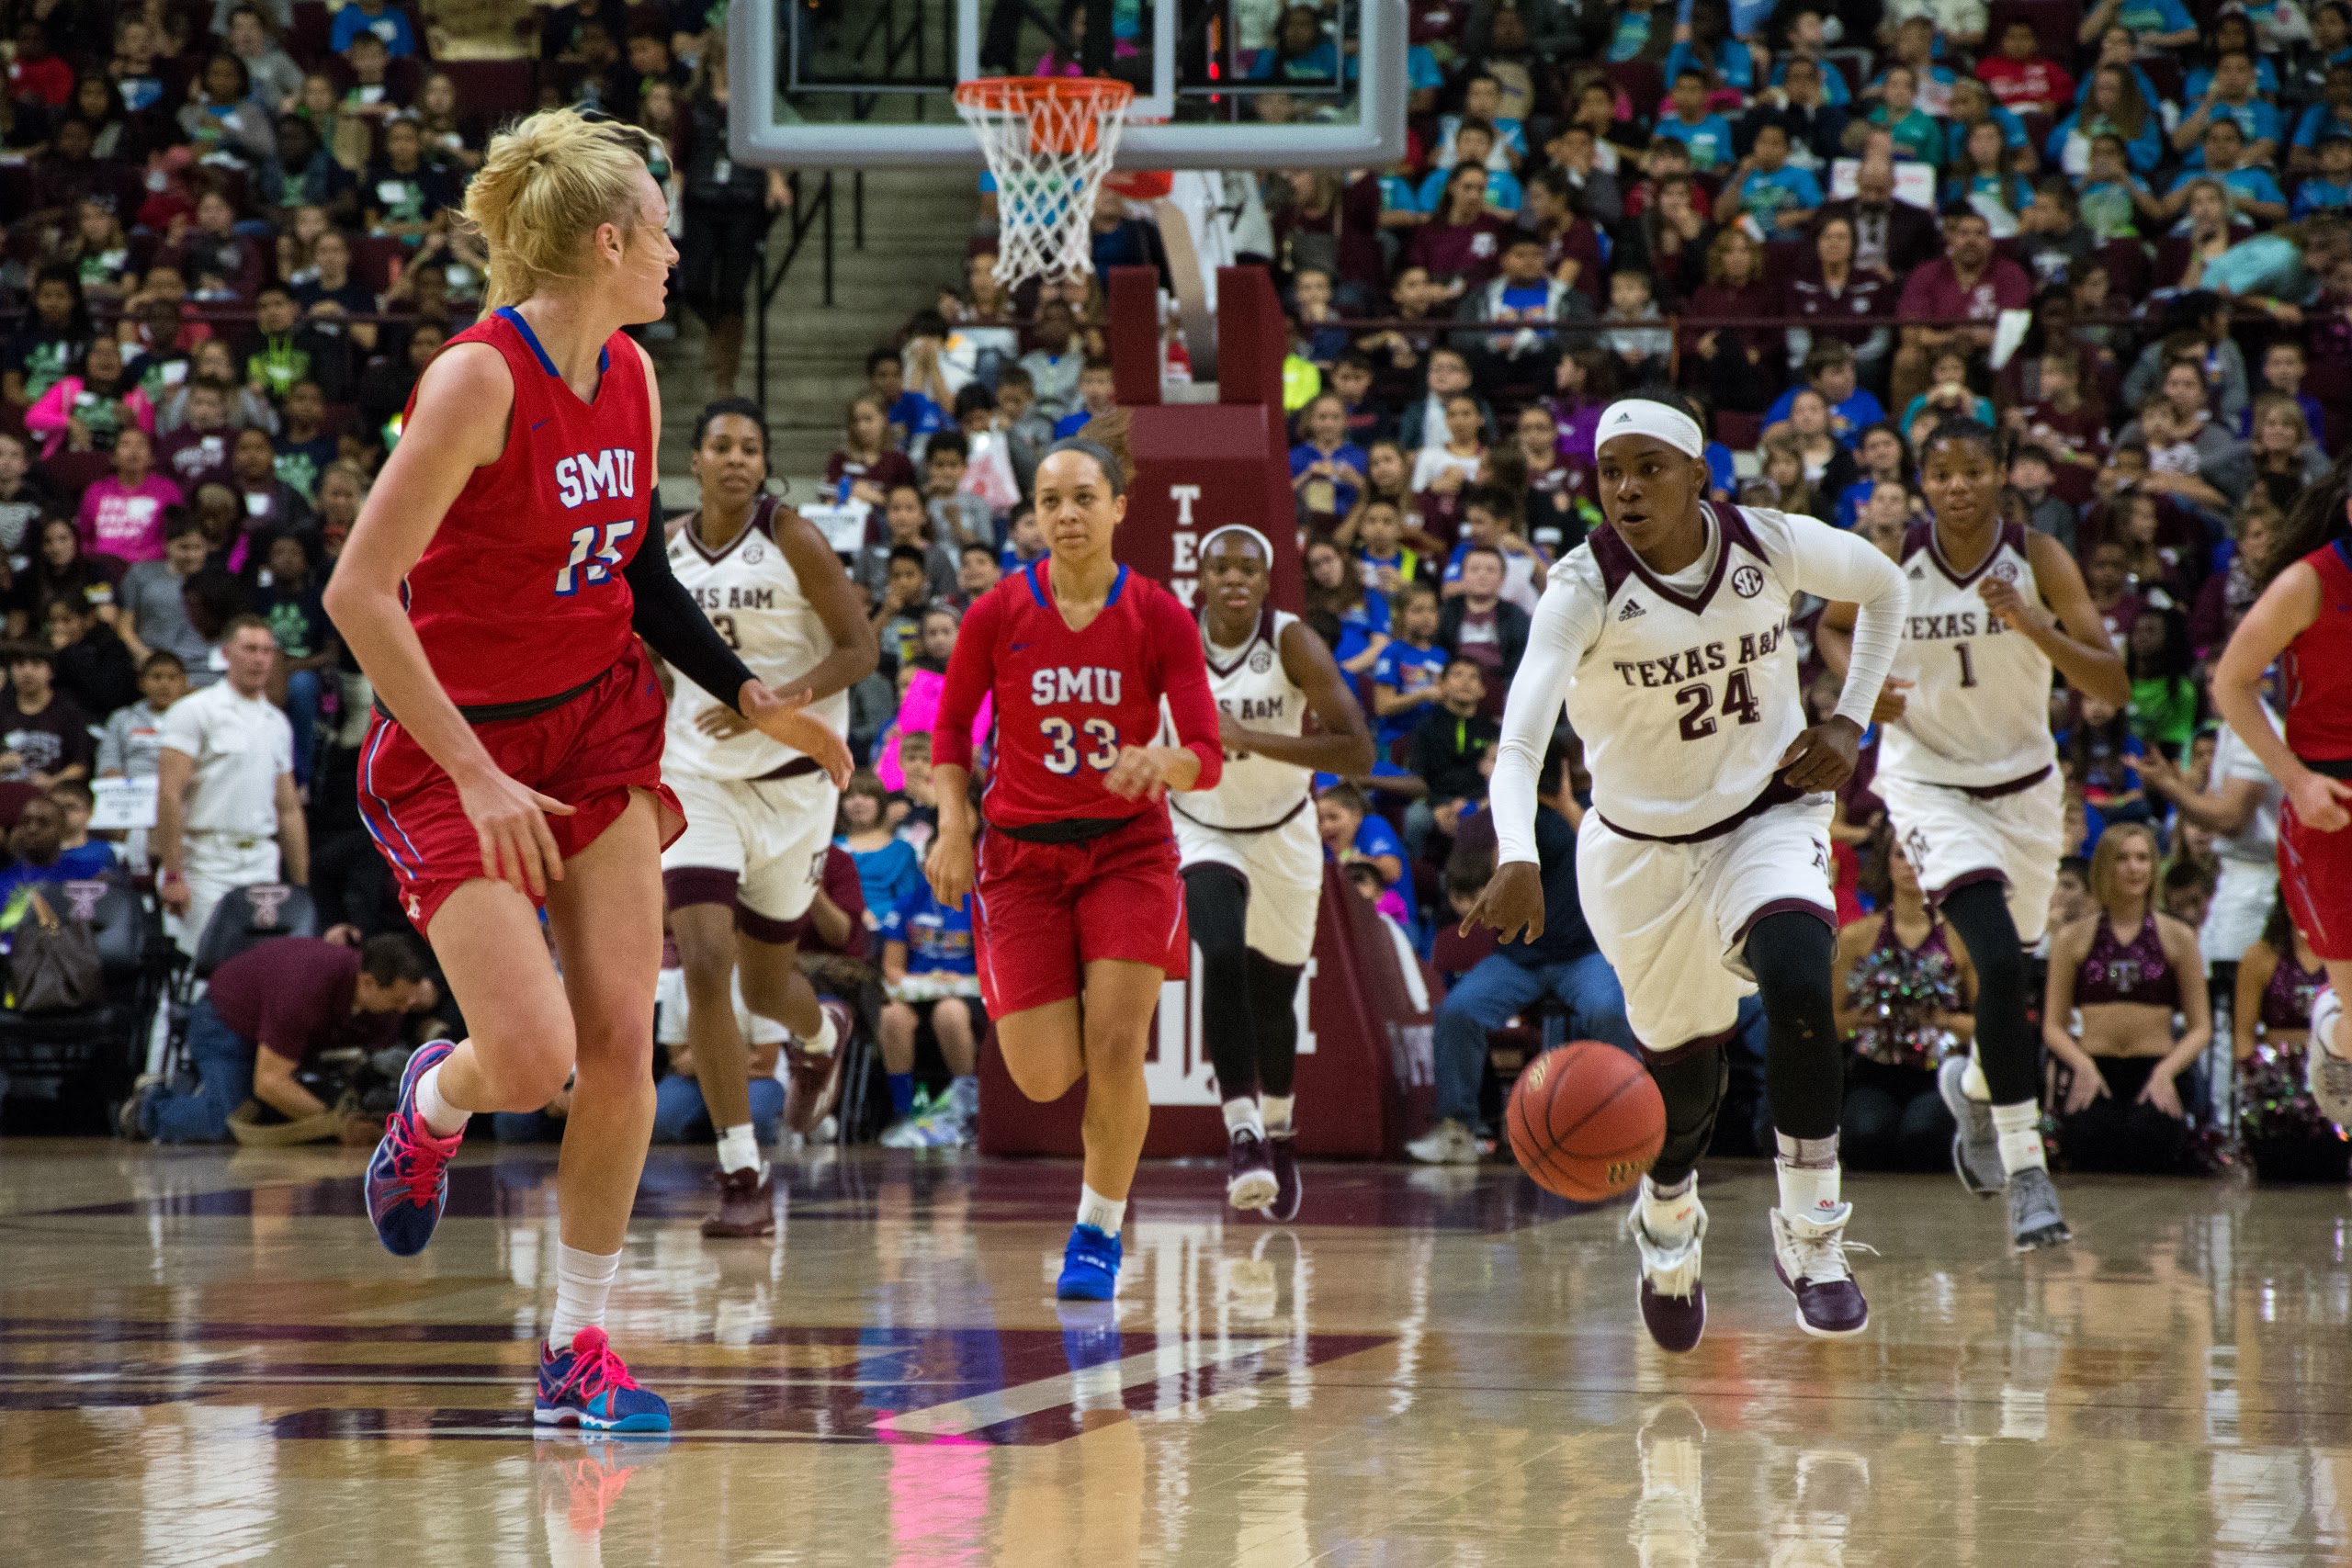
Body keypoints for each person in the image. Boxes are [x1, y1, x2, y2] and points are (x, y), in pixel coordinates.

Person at [321, 110, 851, 1434]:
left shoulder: (632, 370)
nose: (678, 254)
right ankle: (432, 1099)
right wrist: (479, 774)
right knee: (533, 1054)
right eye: (663, 230)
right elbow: (358, 593)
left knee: (620, 1038)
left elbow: (634, 569)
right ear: (610, 239)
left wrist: (752, 694)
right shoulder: (475, 383)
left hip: (600, 725)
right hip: (459, 748)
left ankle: (577, 1345)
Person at [1465, 390, 1909, 1348]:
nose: (1625, 489)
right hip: (1639, 857)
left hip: (1767, 812)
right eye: (1609, 473)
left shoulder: (1768, 543)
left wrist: (1848, 718)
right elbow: (1517, 745)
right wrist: (1514, 853)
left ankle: (1811, 1234)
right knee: (1686, 1079)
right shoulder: (1581, 590)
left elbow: (1885, 586)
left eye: (1647, 469)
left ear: (1697, 477)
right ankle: (1668, 1219)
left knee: (1797, 978)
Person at [925, 415, 1221, 1303]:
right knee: (1044, 1072)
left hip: (1128, 851)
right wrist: (951, 823)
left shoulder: (1159, 612)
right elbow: (948, 726)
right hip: (1019, 859)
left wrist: (1161, 761)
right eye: (1049, 500)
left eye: (1083, 498)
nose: (1065, 514)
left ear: (1119, 508)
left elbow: (1205, 750)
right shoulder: (998, 609)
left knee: (1119, 1042)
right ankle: (1102, 1105)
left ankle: (1097, 1229)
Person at [1817, 419, 2124, 1250]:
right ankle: (2030, 1173)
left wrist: (2030, 624)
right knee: (1991, 957)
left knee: (2009, 972)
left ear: (1999, 478)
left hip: (2023, 793)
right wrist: (1860, 678)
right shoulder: (1895, 561)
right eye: (1941, 473)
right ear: (1923, 482)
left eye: (1972, 471)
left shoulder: (2040, 558)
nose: (1956, 486)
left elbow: (2113, 680)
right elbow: (1830, 624)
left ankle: (1977, 1089)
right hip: (1926, 785)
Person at [658, 396, 876, 1236]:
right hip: (697, 779)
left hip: (792, 780)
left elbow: (860, 649)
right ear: (697, 457)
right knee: (705, 965)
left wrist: (772, 703)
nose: (738, 459)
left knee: (763, 983)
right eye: (722, 445)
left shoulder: (794, 537)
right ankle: (741, 1169)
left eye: (752, 446)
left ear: (765, 461)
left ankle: (820, 1031)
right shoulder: (667, 548)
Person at [1172, 525, 1372, 1218]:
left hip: (1284, 829)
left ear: (1265, 581)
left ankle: (1282, 1128)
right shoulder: (1174, 638)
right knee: (1220, 953)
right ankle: (1244, 1134)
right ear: (1200, 577)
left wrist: (1247, 738)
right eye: (1219, 566)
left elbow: (1357, 751)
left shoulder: (1291, 641)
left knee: (1274, 998)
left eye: (1247, 568)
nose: (1233, 577)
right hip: (1199, 826)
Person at [2211, 451, 2352, 1128]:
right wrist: (2294, 780)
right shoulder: (2308, 582)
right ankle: (2332, 1031)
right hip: (2328, 800)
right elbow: (2230, 683)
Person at [1416, 730, 1637, 1163]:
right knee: (1458, 1011)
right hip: (1518, 957)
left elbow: (1610, 861)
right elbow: (1496, 874)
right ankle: (1458, 1129)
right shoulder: (1500, 816)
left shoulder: (1594, 809)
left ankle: (1624, 1120)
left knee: (1609, 1012)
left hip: (1583, 952)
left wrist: (1568, 805)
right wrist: (1509, 808)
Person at [125, 934, 434, 1144]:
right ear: (368, 983)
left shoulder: (383, 998)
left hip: (292, 1041)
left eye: (409, 1002)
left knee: (290, 1111)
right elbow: (270, 1083)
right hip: (225, 1023)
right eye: (397, 1002)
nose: (404, 1010)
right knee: (229, 1121)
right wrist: (338, 1124)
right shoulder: (307, 987)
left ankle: (208, 1090)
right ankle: (146, 1108)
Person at [2041, 823, 2212, 1172]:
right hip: (2094, 1069)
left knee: (2148, 1140)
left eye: (2143, 858)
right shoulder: (2072, 938)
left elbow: (2200, 1028)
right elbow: (2053, 1027)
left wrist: (2166, 1072)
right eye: (2122, 858)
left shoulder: (2178, 936)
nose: (2134, 868)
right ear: (2104, 867)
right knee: (2091, 1142)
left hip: (2155, 1068)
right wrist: (2083, 1066)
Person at [153, 616, 302, 954]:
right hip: (204, 860)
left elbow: (289, 808)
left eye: (266, 651)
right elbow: (169, 795)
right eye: (249, 649)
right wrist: (174, 874)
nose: (259, 659)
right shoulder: (192, 711)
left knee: (258, 970)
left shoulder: (277, 722)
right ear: (226, 653)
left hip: (262, 860)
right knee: (201, 968)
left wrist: (301, 884)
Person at [1832, 840, 1973, 1171]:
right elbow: (1833, 1024)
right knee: (1867, 1138)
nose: (1911, 864)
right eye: (1901, 854)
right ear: (1888, 864)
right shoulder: (1856, 937)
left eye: (1921, 855)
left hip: (1940, 1074)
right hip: (1873, 1074)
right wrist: (1868, 1018)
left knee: (1923, 1136)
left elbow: (1988, 1026)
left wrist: (1939, 1019)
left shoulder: (1961, 938)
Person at [2233, 898, 2346, 1182]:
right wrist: (2260, 1080)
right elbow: (2243, 1035)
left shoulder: (2346, 959)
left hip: (2336, 1082)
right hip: (2276, 1091)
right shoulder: (2259, 956)